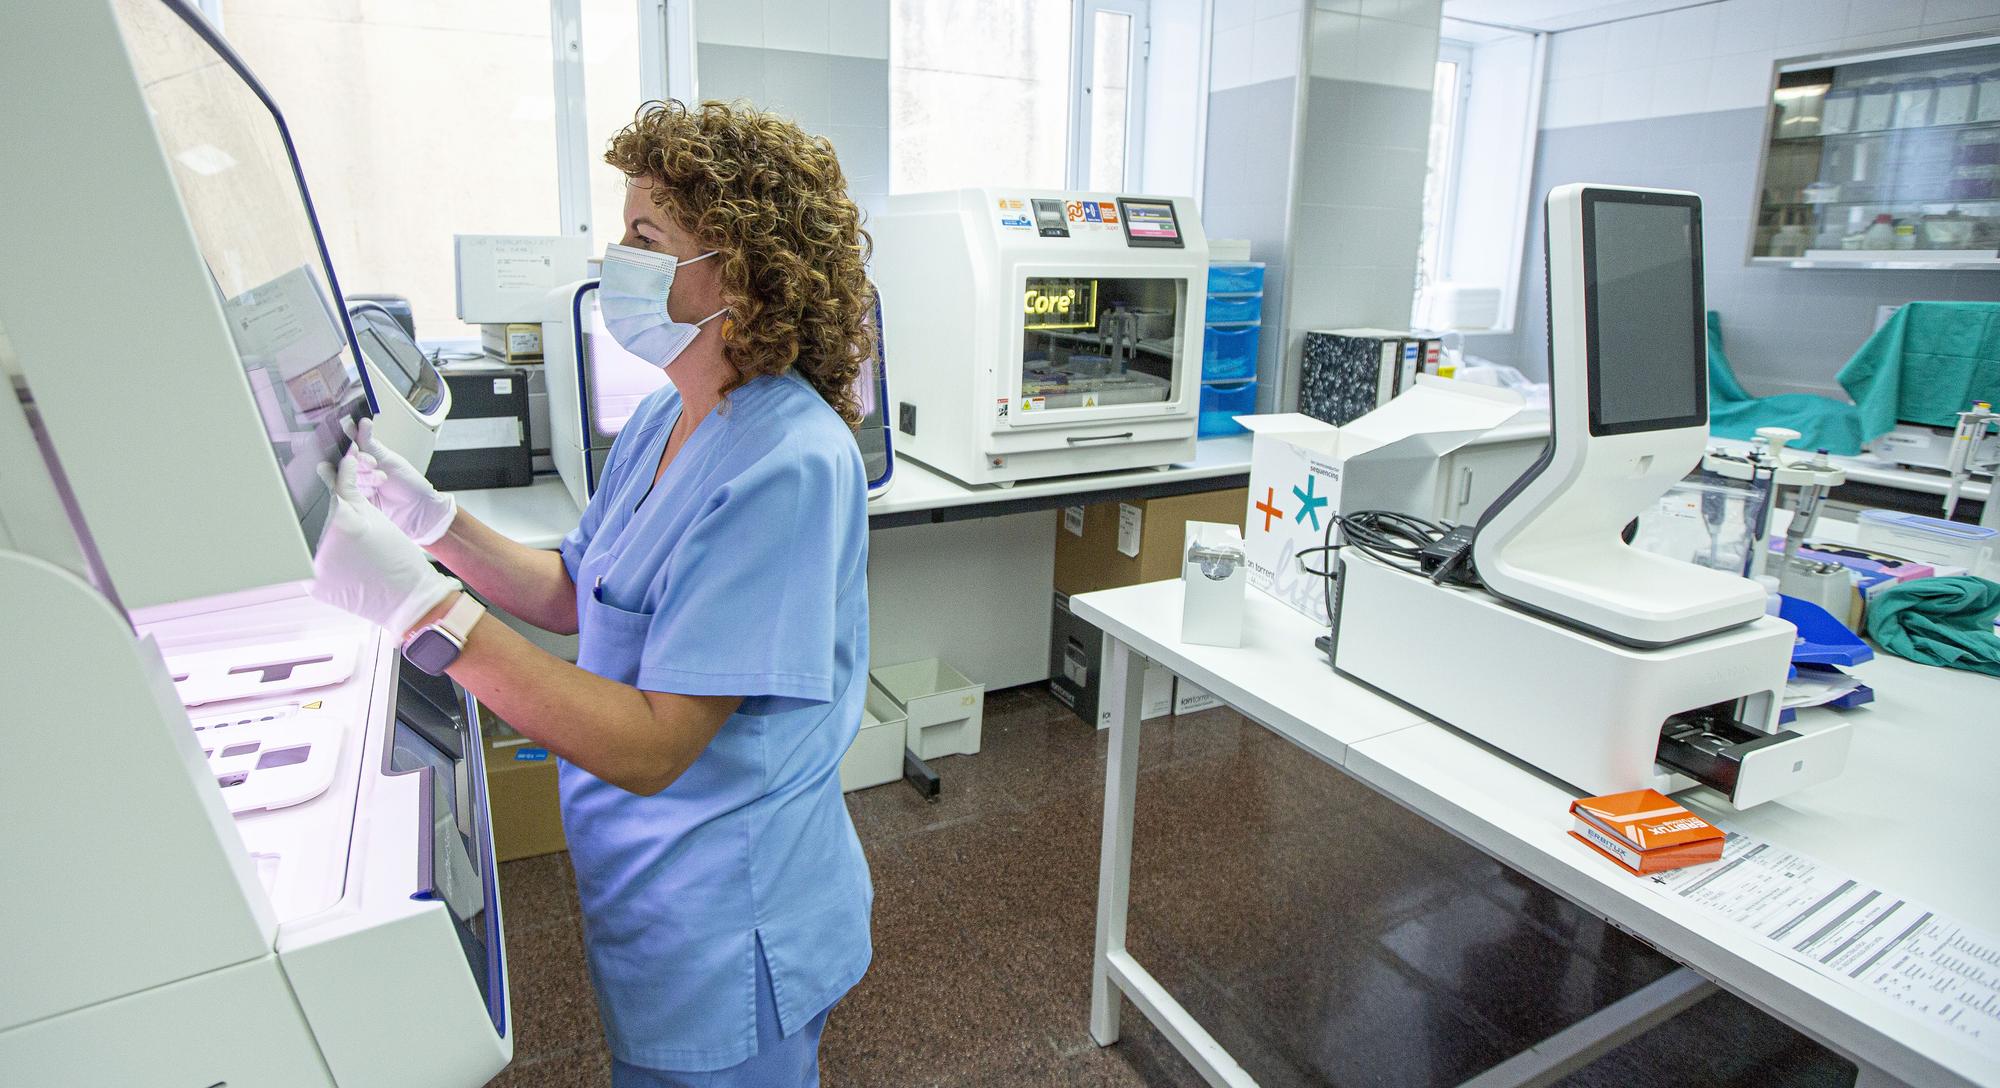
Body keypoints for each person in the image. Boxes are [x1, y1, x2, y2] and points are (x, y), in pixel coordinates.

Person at [308, 99, 876, 1087]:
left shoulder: (788, 464)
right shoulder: (669, 418)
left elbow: (656, 741)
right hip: (653, 886)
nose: (614, 263)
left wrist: (426, 614)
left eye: (643, 238)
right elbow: (580, 589)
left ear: (737, 268)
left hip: (732, 911)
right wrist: (429, 522)